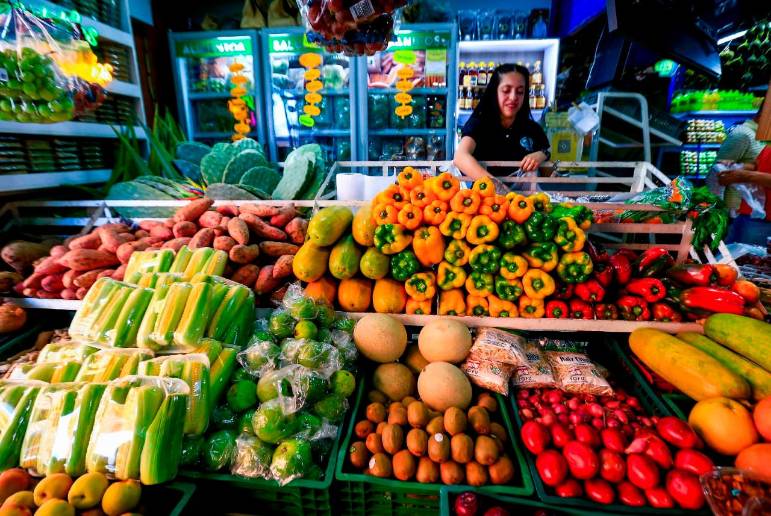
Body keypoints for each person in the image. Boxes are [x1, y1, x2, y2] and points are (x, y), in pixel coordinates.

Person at [453, 64, 550, 191]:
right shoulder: (479, 124)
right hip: (487, 202)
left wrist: (543, 154)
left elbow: (549, 170)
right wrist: (499, 189)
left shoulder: (533, 129)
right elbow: (460, 157)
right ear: (495, 92)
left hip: (525, 205)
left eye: (520, 92)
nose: (513, 97)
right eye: (506, 90)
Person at [718, 144, 771, 246]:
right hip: (747, 213)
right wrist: (737, 166)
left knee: (749, 258)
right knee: (728, 257)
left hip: (765, 221)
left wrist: (747, 176)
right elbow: (759, 164)